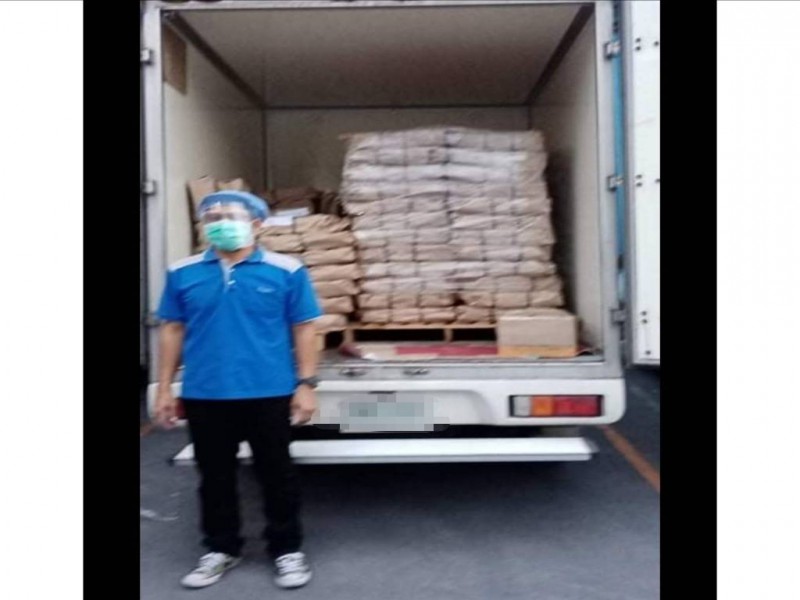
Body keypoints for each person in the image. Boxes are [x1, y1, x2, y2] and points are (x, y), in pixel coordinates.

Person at [153, 190, 322, 590]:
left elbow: (305, 328)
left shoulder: (286, 270)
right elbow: (172, 329)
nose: (221, 224)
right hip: (206, 392)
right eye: (212, 218)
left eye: (230, 216)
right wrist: (164, 387)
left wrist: (306, 384)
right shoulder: (183, 272)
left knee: (276, 473)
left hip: (269, 390)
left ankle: (286, 549)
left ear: (257, 224)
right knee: (214, 476)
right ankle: (220, 548)